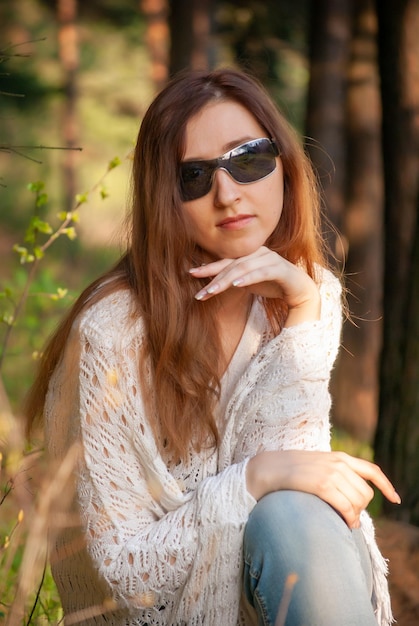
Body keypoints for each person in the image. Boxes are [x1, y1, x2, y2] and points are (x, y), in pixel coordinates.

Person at [26, 67, 400, 626]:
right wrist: (250, 479)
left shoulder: (309, 289)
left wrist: (301, 312)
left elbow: (295, 493)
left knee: (296, 514)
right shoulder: (115, 332)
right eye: (194, 176)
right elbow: (127, 572)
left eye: (248, 159)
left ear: (284, 164)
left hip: (280, 584)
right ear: (164, 198)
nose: (227, 194)